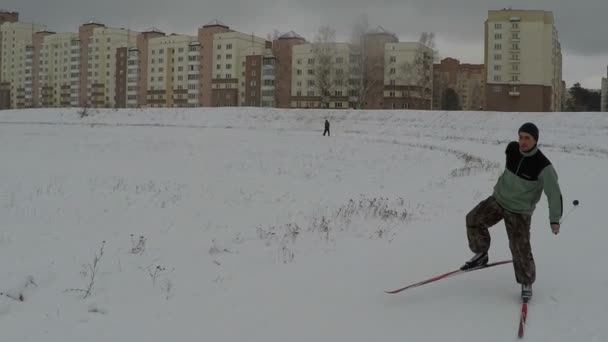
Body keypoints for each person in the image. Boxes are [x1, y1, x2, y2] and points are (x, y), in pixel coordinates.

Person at [460, 122, 563, 301]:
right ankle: (481, 253)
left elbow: (554, 194)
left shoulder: (544, 167)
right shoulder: (512, 149)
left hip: (519, 210)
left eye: (527, 138)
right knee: (473, 219)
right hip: (499, 200)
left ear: (535, 140)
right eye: (520, 137)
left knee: (519, 246)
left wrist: (554, 219)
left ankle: (526, 282)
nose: (522, 141)